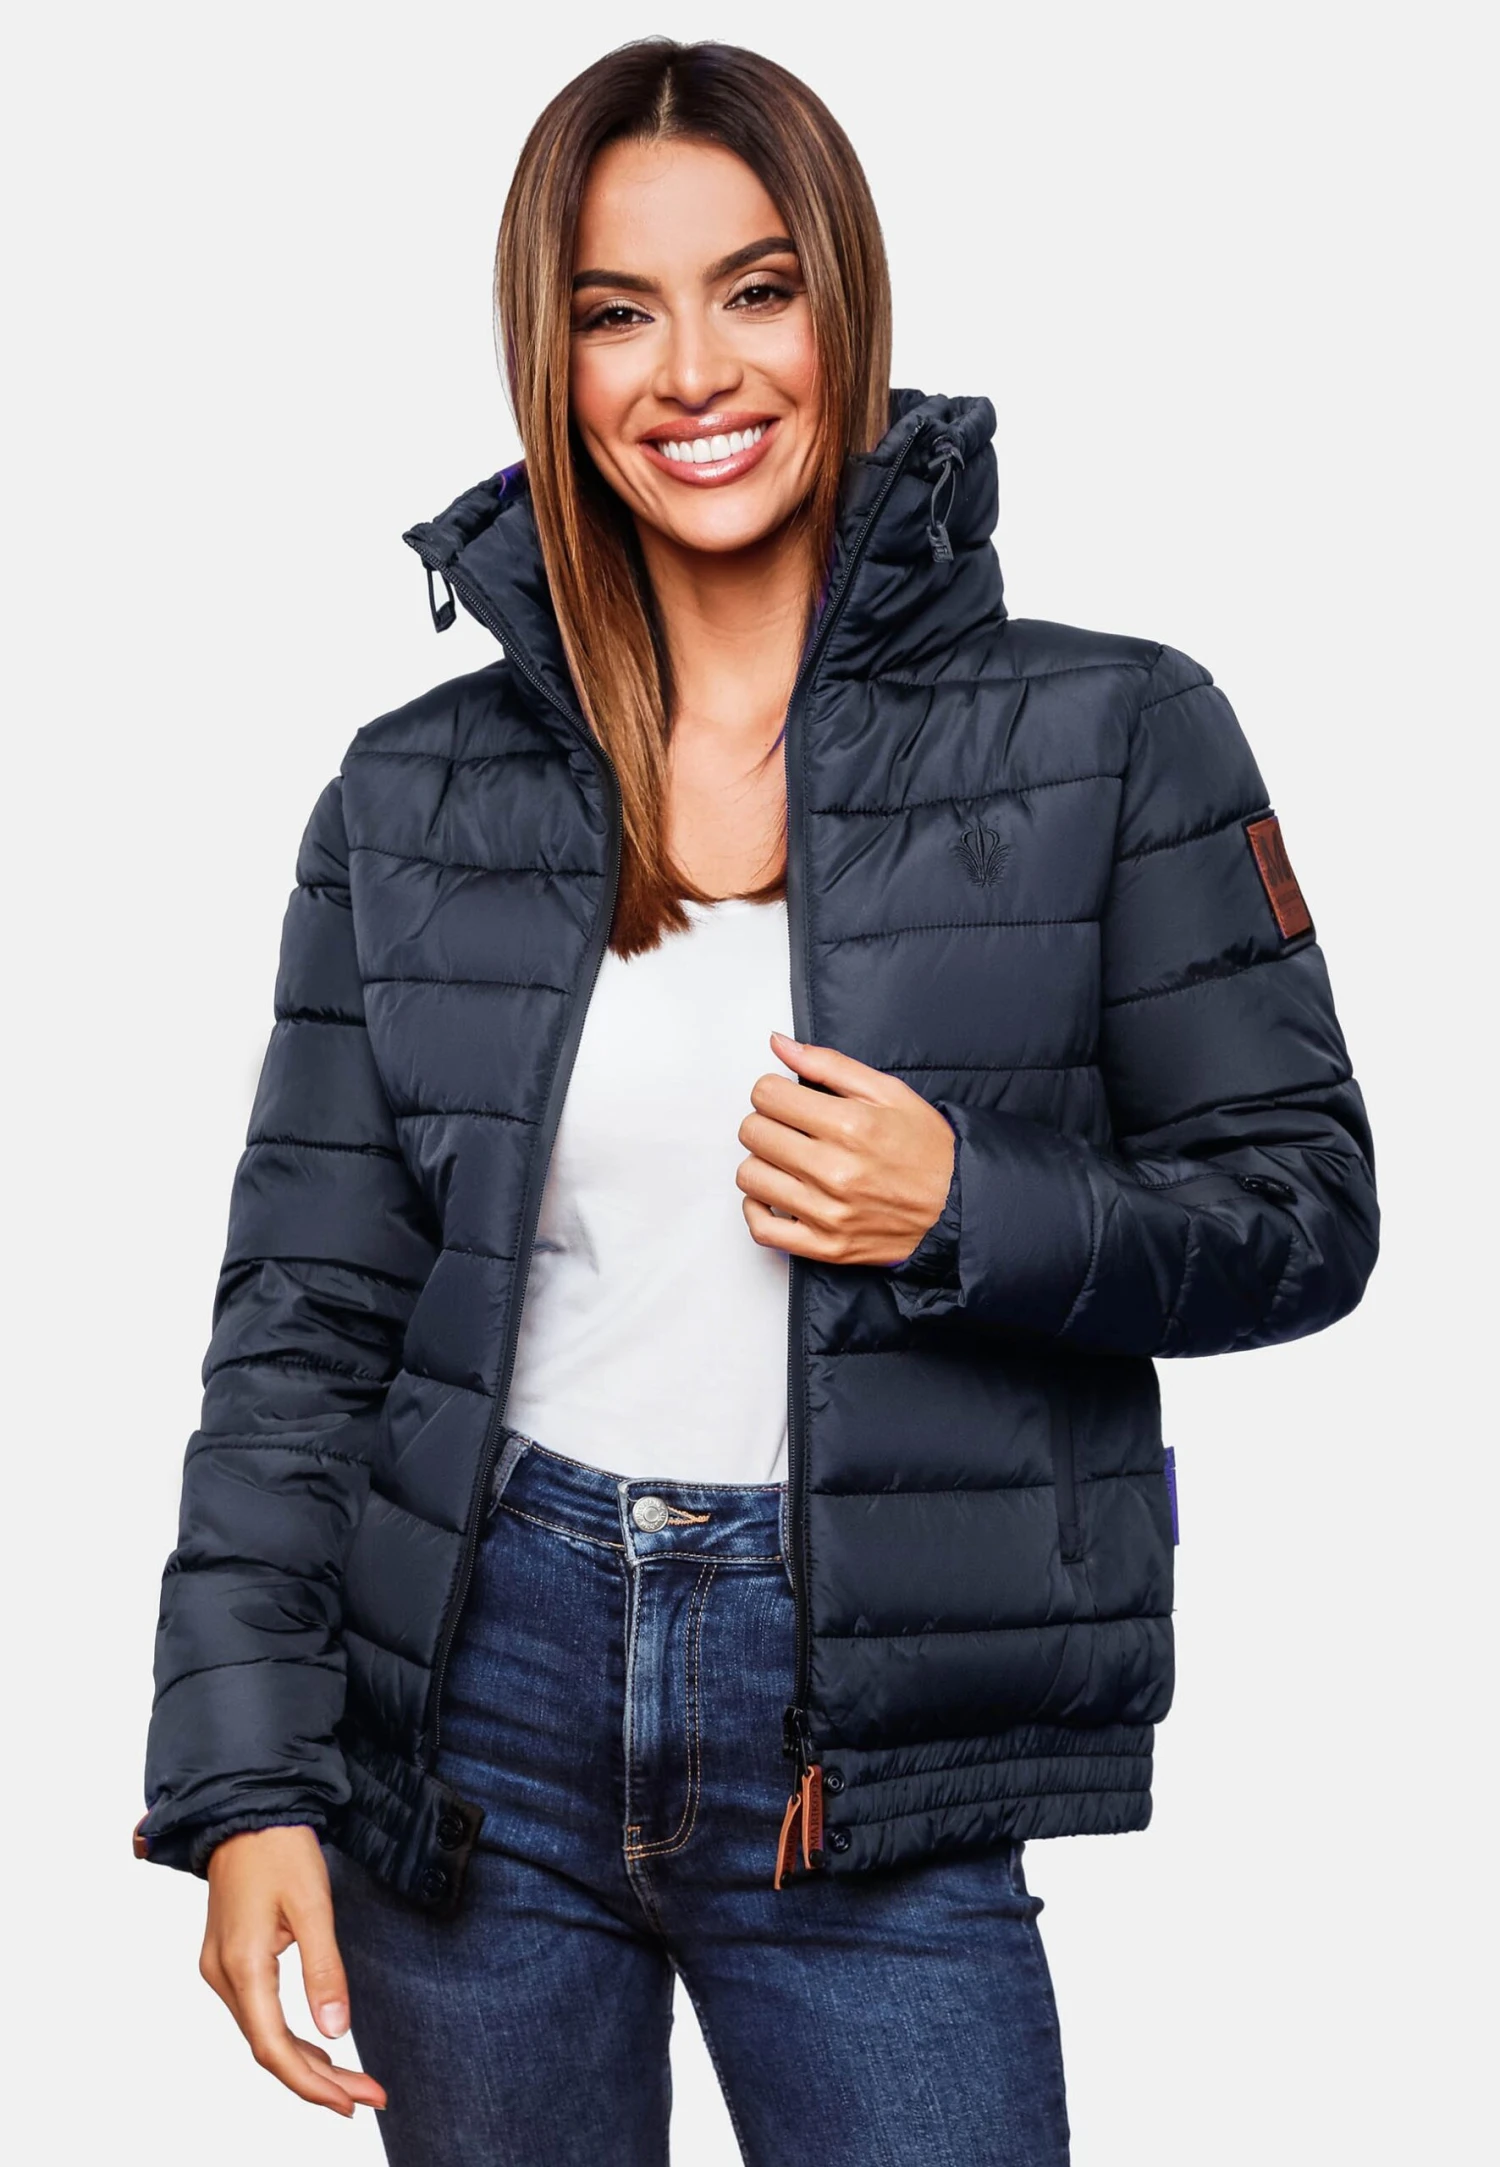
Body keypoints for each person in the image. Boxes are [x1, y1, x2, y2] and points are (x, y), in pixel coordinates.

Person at [133, 36, 1380, 2167]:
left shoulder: (1114, 731)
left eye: (756, 289)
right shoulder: (412, 794)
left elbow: (1304, 1211)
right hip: (478, 1706)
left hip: (864, 1731)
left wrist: (963, 1201)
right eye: (617, 312)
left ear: (843, 306)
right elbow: (305, 1322)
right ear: (553, 360)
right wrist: (245, 1781)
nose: (694, 372)